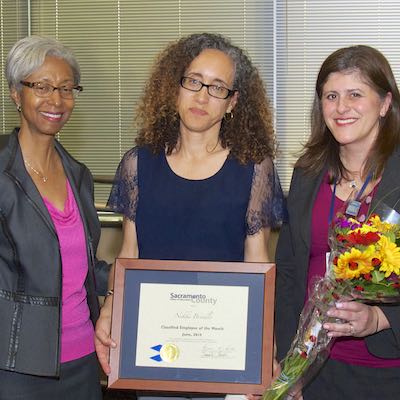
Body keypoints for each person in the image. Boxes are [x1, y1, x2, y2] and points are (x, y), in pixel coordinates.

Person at [95, 32, 284, 395]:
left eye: (217, 88)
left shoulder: (254, 167)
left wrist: (264, 348)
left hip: (226, 349)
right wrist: (111, 307)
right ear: (175, 88)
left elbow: (256, 262)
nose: (202, 96)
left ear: (232, 103)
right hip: (155, 348)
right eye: (194, 81)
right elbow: (129, 253)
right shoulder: (138, 164)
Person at [275, 45, 400, 400]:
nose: (341, 107)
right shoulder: (307, 173)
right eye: (331, 96)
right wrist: (287, 360)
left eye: (355, 94)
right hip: (312, 370)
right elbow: (288, 269)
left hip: (387, 372)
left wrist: (380, 320)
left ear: (385, 103)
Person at [0, 36, 103, 399]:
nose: (56, 100)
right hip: (15, 365)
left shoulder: (78, 175)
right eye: (42, 86)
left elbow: (85, 266)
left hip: (84, 360)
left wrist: (139, 280)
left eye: (65, 88)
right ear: (16, 93)